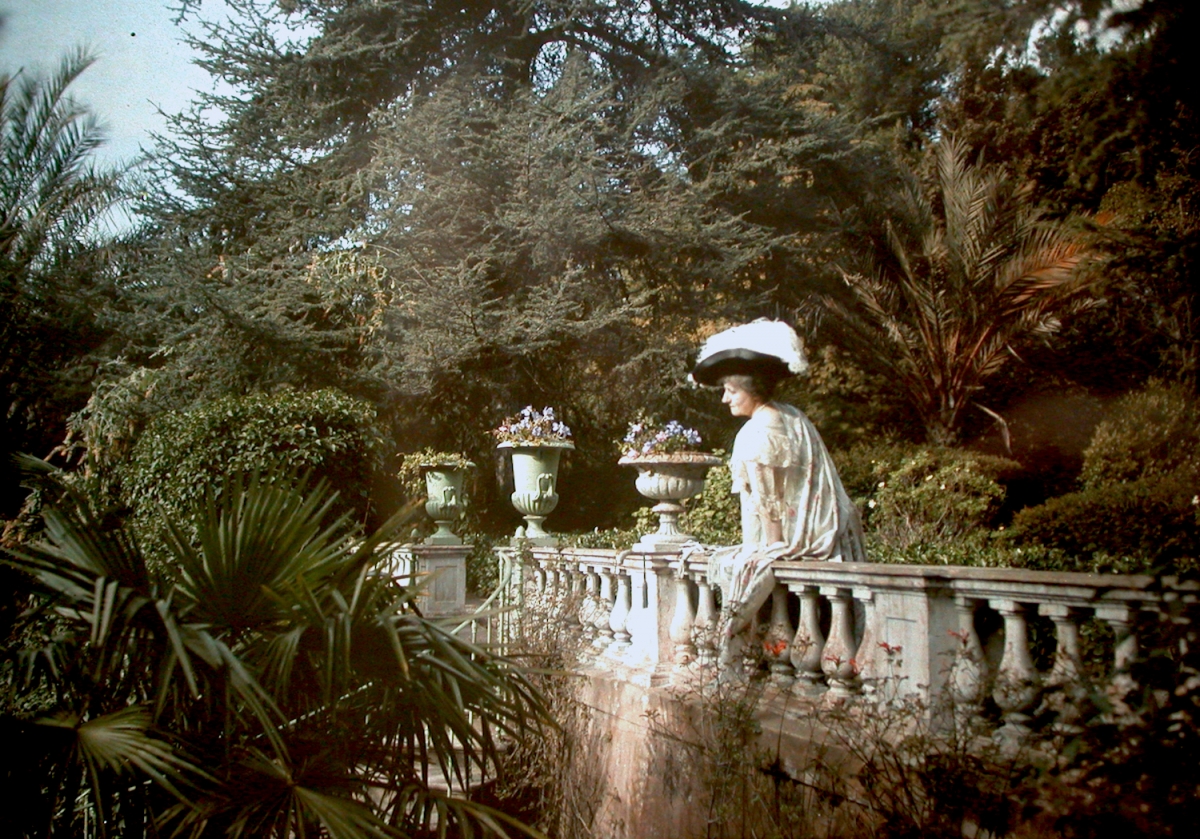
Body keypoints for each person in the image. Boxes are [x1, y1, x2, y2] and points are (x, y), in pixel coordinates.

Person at [691, 320, 866, 666]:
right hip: (833, 530)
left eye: (731, 390)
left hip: (808, 535)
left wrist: (770, 548)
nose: (725, 398)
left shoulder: (758, 431)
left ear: (752, 389)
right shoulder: (790, 415)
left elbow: (771, 500)